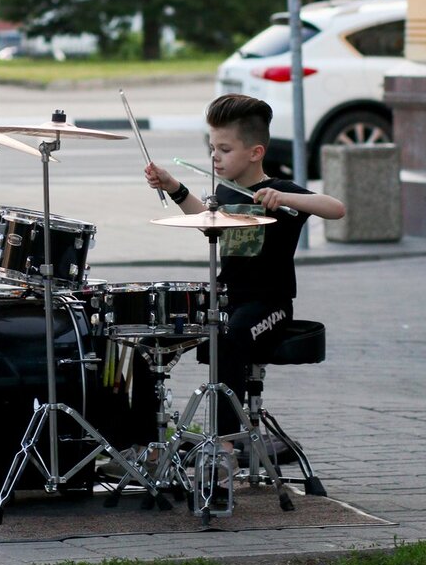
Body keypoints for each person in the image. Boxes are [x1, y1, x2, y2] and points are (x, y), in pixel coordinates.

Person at [145, 94, 345, 436]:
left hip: (269, 304)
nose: (214, 157)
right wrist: (175, 188)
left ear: (255, 153)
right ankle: (146, 437)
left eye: (225, 149)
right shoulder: (225, 193)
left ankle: (225, 445)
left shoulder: (278, 191)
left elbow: (335, 207)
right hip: (227, 298)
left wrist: (284, 198)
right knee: (147, 330)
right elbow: (205, 217)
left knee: (229, 339)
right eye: (212, 148)